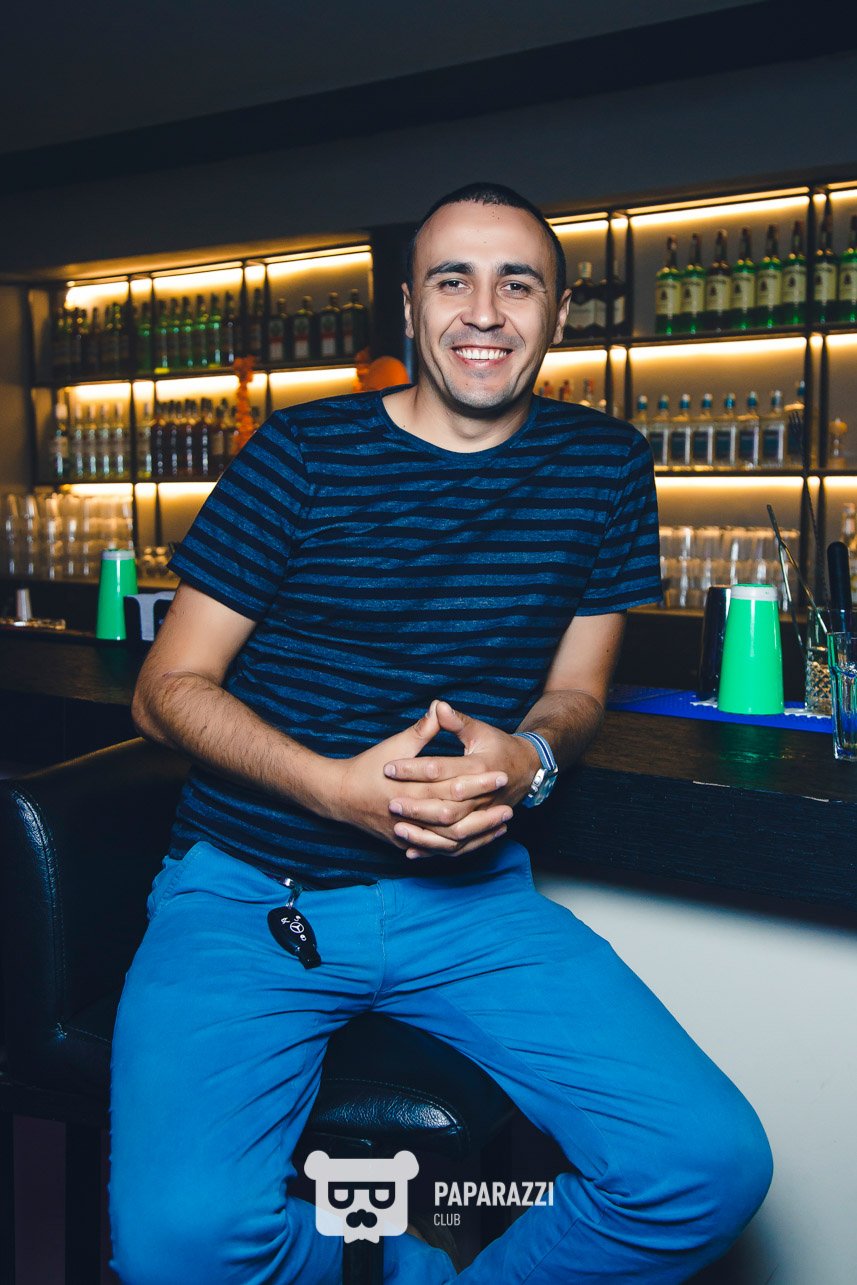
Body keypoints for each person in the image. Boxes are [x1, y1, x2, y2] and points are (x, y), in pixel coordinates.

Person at [109, 182, 773, 1283]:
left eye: (518, 283)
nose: (484, 311)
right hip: (252, 895)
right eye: (451, 280)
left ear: (558, 313)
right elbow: (166, 688)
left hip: (468, 906)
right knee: (179, 1244)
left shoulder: (604, 464)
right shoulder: (301, 450)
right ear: (410, 309)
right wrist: (331, 787)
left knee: (703, 1167)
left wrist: (531, 757)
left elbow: (576, 693)